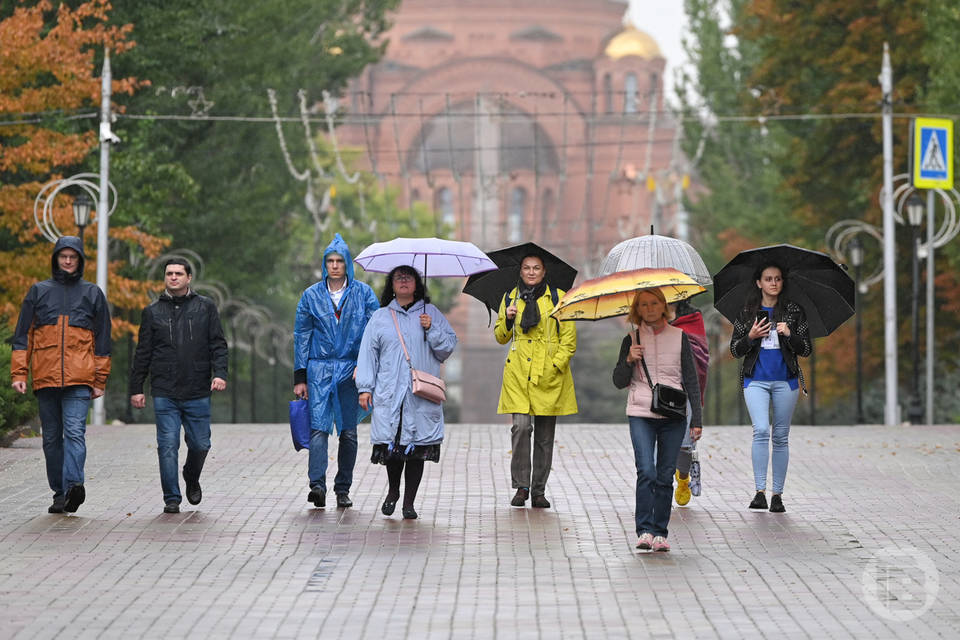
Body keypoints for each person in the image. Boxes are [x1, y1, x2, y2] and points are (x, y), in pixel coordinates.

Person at [11, 236, 112, 514]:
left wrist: (100, 379)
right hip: (45, 377)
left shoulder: (92, 293)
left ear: (80, 260)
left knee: (75, 432)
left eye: (73, 257)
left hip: (80, 378)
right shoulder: (38, 292)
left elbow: (103, 339)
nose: (67, 261)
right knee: (52, 438)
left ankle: (74, 486)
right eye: (63, 256)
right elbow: (23, 336)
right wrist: (19, 372)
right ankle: (59, 493)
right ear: (55, 258)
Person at [356, 265, 457, 520]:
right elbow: (368, 354)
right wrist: (365, 388)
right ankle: (393, 492)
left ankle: (409, 503)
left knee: (417, 447)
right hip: (390, 393)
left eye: (408, 277)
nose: (403, 281)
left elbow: (447, 348)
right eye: (398, 277)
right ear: (391, 284)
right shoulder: (380, 317)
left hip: (419, 394)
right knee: (392, 447)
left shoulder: (430, 313)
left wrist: (431, 328)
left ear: (416, 284)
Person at [129, 258, 228, 514]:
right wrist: (136, 387)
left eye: (178, 274)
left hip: (197, 388)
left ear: (188, 278)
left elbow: (218, 344)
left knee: (201, 444)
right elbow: (143, 352)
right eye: (169, 274)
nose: (173, 277)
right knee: (167, 444)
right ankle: (171, 498)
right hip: (165, 390)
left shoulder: (205, 307)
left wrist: (220, 374)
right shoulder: (152, 312)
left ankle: (191, 476)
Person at [293, 234, 379, 509]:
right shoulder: (311, 296)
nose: (334, 265)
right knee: (318, 429)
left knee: (349, 432)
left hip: (350, 370)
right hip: (319, 370)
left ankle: (343, 488)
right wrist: (300, 376)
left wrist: (365, 368)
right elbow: (302, 336)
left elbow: (374, 333)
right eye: (330, 261)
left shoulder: (364, 295)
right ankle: (317, 485)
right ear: (324, 264)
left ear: (347, 265)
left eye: (339, 261)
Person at [613, 288, 701, 552]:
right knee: (646, 471)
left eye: (654, 303)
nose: (649, 309)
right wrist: (629, 359)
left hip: (673, 415)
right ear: (637, 310)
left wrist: (697, 418)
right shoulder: (631, 339)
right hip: (641, 413)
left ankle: (660, 532)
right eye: (643, 305)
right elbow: (618, 381)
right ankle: (644, 530)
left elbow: (692, 380)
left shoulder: (680, 337)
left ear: (663, 306)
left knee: (664, 475)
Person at [494, 254, 577, 509]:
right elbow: (500, 336)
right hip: (518, 373)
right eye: (526, 268)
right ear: (520, 272)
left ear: (544, 272)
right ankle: (522, 486)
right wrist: (508, 319)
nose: (531, 272)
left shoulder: (559, 297)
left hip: (549, 374)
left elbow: (569, 340)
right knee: (520, 428)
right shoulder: (510, 298)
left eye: (536, 268)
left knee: (544, 436)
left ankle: (539, 490)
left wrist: (555, 365)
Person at [729, 263, 812, 513]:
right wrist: (751, 336)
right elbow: (735, 350)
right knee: (762, 430)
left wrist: (790, 334)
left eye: (777, 279)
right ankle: (759, 492)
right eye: (768, 279)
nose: (773, 283)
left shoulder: (794, 312)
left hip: (786, 380)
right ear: (759, 283)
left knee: (780, 436)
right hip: (755, 380)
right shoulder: (747, 312)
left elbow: (806, 349)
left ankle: (777, 495)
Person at [669, 299, 709, 506]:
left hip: (686, 388)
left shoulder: (693, 318)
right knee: (662, 442)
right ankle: (664, 484)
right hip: (663, 389)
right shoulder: (651, 320)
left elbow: (701, 354)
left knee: (685, 444)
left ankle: (683, 478)